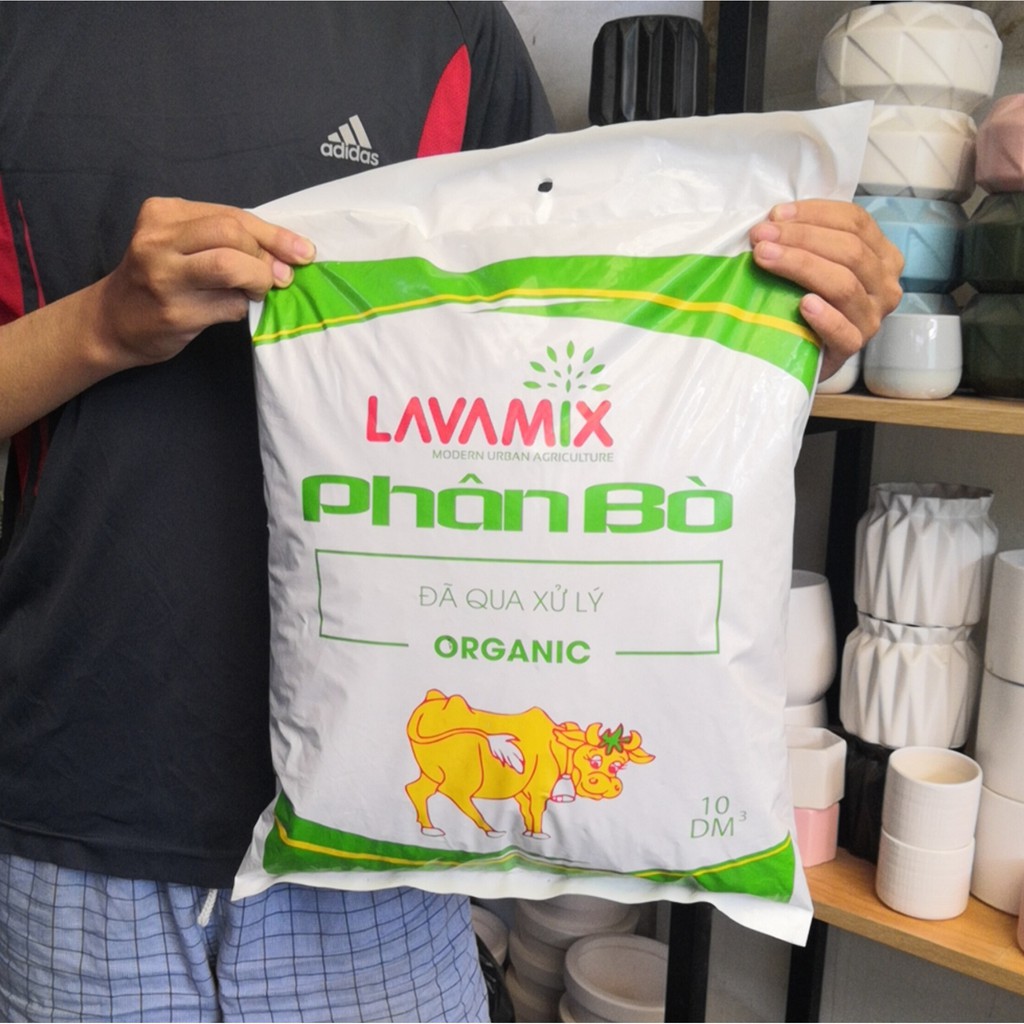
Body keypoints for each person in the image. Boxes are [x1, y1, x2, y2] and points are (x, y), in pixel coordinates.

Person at [0, 3, 901, 1022]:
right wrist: (102, 324)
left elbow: (571, 347)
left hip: (385, 849)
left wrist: (789, 313)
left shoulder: (442, 26)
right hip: (70, 826)